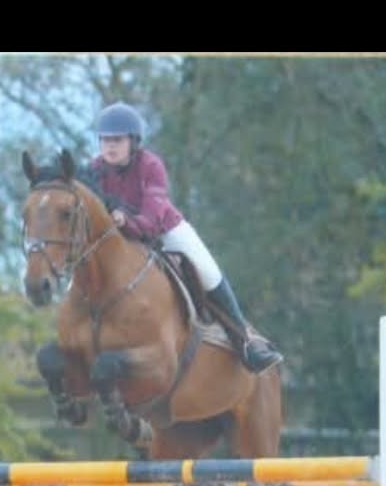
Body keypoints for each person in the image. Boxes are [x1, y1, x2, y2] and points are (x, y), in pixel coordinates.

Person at [87, 102, 283, 374]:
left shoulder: (151, 166)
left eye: (117, 140)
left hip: (164, 230)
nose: (110, 146)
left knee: (208, 271)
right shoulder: (94, 170)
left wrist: (125, 220)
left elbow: (151, 221)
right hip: (120, 242)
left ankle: (245, 341)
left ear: (133, 142)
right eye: (105, 140)